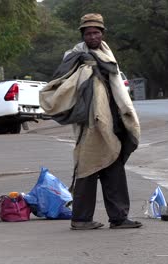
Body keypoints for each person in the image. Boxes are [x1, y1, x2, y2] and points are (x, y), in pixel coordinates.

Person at [39, 13, 142, 230]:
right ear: (82, 35)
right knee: (87, 169)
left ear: (102, 33)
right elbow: (62, 82)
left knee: (113, 167)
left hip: (112, 119)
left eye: (96, 32)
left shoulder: (106, 52)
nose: (92, 36)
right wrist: (84, 66)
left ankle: (119, 218)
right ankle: (81, 219)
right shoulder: (74, 56)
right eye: (88, 33)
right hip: (89, 122)